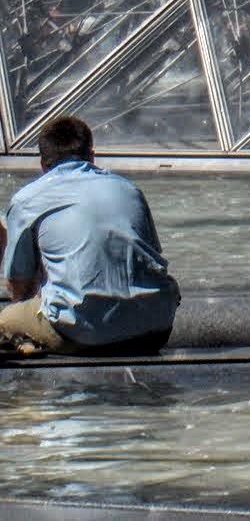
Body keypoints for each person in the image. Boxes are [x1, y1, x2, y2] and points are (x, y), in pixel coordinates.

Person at [1, 116, 179, 355]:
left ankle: (29, 342)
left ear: (43, 164)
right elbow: (150, 256)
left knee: (6, 319)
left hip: (84, 333)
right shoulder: (129, 189)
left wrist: (31, 303)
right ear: (92, 156)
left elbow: (19, 282)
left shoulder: (27, 200)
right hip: (156, 329)